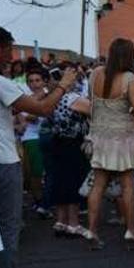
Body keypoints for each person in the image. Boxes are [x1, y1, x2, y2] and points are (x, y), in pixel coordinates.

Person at [0, 25, 78, 268]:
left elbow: (27, 105)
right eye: (9, 49)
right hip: (1, 161)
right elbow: (45, 109)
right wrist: (64, 85)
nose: (12, 56)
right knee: (6, 228)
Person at [85, 38, 134, 250]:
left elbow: (91, 102)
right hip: (123, 137)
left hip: (99, 135)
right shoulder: (129, 78)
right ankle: (131, 231)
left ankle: (91, 231)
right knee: (127, 186)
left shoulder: (95, 74)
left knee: (98, 185)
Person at [44, 72, 91, 241]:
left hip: (57, 142)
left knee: (60, 181)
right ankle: (73, 224)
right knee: (73, 182)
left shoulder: (51, 99)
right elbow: (96, 112)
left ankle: (60, 221)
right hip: (72, 144)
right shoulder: (72, 98)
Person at [16, 68, 48, 217]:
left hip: (49, 136)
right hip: (31, 137)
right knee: (36, 172)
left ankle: (48, 200)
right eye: (31, 81)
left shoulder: (50, 96)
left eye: (37, 80)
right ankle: (38, 202)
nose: (34, 84)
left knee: (49, 172)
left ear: (43, 81)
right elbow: (30, 117)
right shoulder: (23, 99)